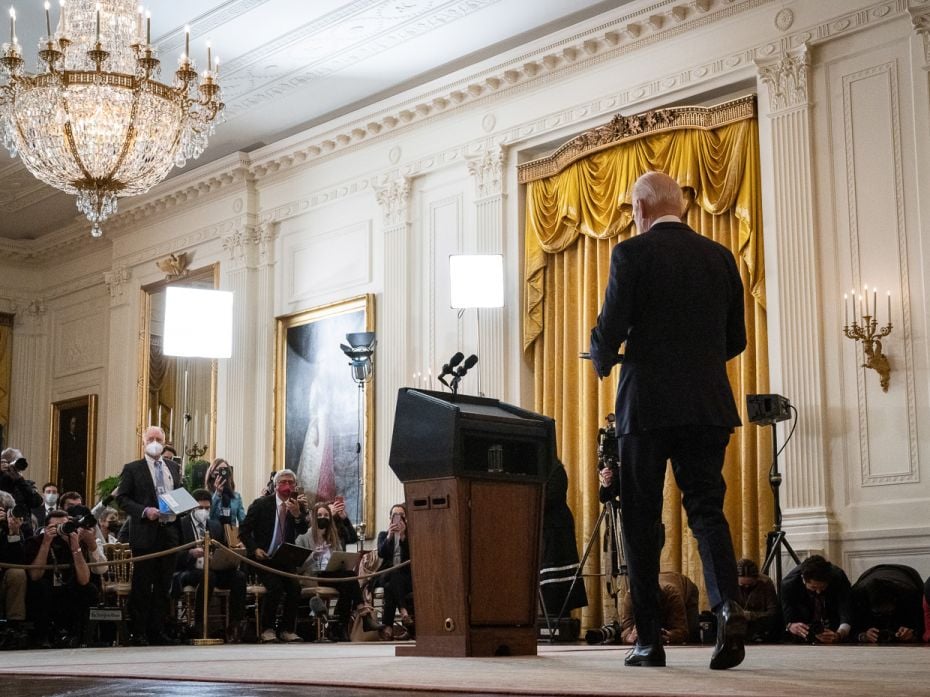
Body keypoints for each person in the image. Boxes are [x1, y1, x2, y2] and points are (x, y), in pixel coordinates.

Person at [589, 170, 748, 670]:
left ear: (640, 209)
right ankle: (727, 610)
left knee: (640, 520)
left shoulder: (630, 254)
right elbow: (736, 340)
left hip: (648, 408)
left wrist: (599, 356)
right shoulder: (720, 256)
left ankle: (649, 641)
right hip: (707, 405)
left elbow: (610, 328)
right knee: (707, 510)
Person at [116, 425, 183, 645]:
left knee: (164, 585)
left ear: (164, 442)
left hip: (169, 532)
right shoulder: (132, 468)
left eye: (158, 438)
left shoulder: (173, 467)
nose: (155, 441)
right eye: (151, 438)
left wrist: (183, 504)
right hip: (145, 533)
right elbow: (123, 499)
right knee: (143, 585)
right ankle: (139, 632)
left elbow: (179, 493)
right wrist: (145, 511)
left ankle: (158, 630)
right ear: (144, 442)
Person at [239, 469, 308, 643]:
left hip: (284, 559)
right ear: (276, 486)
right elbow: (244, 531)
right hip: (262, 558)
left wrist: (297, 515)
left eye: (291, 483)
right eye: (283, 482)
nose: (287, 486)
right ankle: (267, 629)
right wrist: (254, 549)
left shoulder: (297, 507)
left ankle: (287, 629)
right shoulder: (261, 504)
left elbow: (302, 530)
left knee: (295, 588)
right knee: (275, 587)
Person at [296, 501, 378, 641]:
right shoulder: (303, 537)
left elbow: (340, 558)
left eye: (326, 515)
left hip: (331, 574)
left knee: (348, 582)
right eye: (320, 515)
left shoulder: (333, 537)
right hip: (313, 577)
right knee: (349, 579)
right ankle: (359, 617)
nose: (323, 518)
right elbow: (298, 567)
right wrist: (313, 556)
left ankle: (341, 626)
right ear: (313, 517)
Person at [175, 489, 247, 643]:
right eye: (200, 508)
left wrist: (233, 552)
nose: (204, 511)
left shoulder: (215, 526)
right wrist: (190, 553)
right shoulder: (181, 525)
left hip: (213, 568)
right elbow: (172, 555)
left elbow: (223, 548)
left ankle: (235, 624)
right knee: (208, 577)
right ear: (192, 508)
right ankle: (199, 624)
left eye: (207, 508)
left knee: (239, 577)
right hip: (189, 570)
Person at [24, 509, 97, 647]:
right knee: (41, 587)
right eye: (55, 527)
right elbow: (35, 576)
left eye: (64, 525)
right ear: (46, 528)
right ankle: (42, 637)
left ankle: (78, 635)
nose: (60, 530)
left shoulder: (73, 541)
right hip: (44, 590)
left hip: (67, 589)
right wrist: (46, 543)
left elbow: (84, 580)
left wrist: (75, 547)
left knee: (89, 589)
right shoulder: (35, 542)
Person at [781, 554, 852, 644]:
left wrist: (839, 634)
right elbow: (788, 618)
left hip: (833, 624)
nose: (818, 592)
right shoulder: (789, 584)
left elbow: (846, 611)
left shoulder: (838, 577)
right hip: (804, 629)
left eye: (822, 587)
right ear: (803, 579)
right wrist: (791, 626)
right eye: (813, 587)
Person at [850, 564, 924, 644]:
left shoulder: (912, 597)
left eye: (889, 611)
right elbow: (848, 629)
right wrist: (863, 636)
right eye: (878, 613)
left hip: (908, 579)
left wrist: (913, 634)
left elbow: (925, 627)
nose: (884, 615)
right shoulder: (857, 598)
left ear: (895, 601)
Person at [619, 571, 698, 645]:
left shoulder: (672, 595)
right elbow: (626, 630)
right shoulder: (630, 597)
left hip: (685, 587)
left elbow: (682, 632)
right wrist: (630, 637)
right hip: (664, 586)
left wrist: (667, 636)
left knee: (692, 633)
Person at [376, 503, 413, 640]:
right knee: (392, 576)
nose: (398, 519)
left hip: (407, 576)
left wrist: (403, 537)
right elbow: (381, 553)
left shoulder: (412, 536)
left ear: (406, 519)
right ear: (390, 519)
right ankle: (404, 612)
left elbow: (412, 555)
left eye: (401, 516)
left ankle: (388, 628)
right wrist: (390, 537)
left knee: (390, 586)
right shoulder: (383, 535)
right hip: (386, 574)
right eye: (394, 516)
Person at [735, 558, 780, 642]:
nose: (746, 587)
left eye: (750, 584)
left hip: (760, 626)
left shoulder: (766, 583)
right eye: (742, 585)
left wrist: (750, 615)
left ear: (757, 578)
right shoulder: (730, 584)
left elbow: (773, 613)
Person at [207, 459, 246, 527]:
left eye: (224, 471)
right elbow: (207, 514)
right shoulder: (207, 495)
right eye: (218, 470)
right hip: (213, 534)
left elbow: (242, 520)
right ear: (212, 474)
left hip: (231, 534)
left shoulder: (236, 496)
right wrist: (217, 493)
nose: (221, 474)